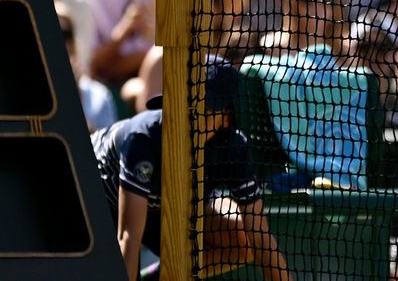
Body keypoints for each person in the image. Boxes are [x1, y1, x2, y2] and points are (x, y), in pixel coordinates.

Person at [90, 54, 292, 281]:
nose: (193, 117)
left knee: (241, 238)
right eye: (190, 103)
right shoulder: (143, 139)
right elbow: (128, 235)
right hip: (97, 197)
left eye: (206, 111)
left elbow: (260, 237)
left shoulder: (234, 149)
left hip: (158, 206)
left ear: (226, 118)